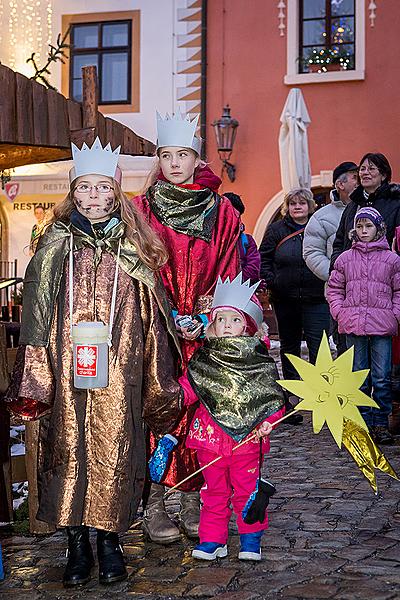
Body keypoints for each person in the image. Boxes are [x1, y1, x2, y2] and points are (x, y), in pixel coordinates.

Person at [4, 138, 182, 587]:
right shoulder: (55, 245)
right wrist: (36, 372)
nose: (94, 197)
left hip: (120, 366)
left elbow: (153, 314)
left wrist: (156, 373)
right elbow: (37, 314)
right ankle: (76, 544)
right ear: (73, 191)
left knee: (115, 448)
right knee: (68, 446)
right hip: (67, 366)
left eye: (104, 188)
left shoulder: (133, 247)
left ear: (116, 192)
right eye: (85, 188)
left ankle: (109, 541)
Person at [133, 113, 241, 543]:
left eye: (182, 154)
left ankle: (193, 499)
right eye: (166, 155)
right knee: (158, 409)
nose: (174, 162)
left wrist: (210, 316)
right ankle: (155, 502)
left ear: (196, 159)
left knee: (200, 413)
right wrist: (157, 313)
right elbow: (134, 268)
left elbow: (231, 270)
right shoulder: (141, 209)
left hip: (204, 330)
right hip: (156, 328)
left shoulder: (223, 212)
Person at [180, 274, 285, 561]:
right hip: (210, 440)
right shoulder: (205, 357)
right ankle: (213, 539)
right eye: (221, 320)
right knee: (213, 491)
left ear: (248, 325)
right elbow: (190, 387)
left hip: (246, 441)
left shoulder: (257, 359)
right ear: (212, 325)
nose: (227, 326)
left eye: (235, 320)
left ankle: (251, 538)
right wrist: (172, 394)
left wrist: (269, 421)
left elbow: (272, 397)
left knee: (247, 491)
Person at [327, 207, 400, 445]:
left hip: (382, 326)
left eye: (368, 226)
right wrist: (340, 312)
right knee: (358, 377)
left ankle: (380, 423)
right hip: (353, 325)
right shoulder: (345, 259)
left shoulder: (392, 260)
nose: (363, 230)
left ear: (379, 229)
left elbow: (398, 291)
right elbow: (334, 289)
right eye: (359, 226)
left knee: (381, 377)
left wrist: (395, 316)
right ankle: (363, 422)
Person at [259, 188, 330, 421]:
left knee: (319, 349)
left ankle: (323, 398)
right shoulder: (276, 230)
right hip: (286, 298)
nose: (297, 207)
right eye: (292, 204)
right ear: (287, 208)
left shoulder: (319, 227)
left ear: (310, 206)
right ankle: (291, 400)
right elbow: (264, 258)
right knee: (289, 348)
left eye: (301, 203)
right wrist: (273, 280)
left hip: (316, 298)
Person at [303, 161, 358, 355]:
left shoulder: (371, 209)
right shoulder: (321, 217)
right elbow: (311, 252)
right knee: (344, 344)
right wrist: (334, 273)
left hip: (373, 292)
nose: (361, 179)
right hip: (340, 293)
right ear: (340, 184)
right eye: (355, 176)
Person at [331, 153, 400, 267]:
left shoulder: (396, 203)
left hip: (384, 277)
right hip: (352, 277)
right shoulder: (352, 206)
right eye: (362, 169)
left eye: (371, 169)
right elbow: (339, 242)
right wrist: (337, 266)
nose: (365, 172)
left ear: (383, 175)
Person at [224, 192, 261, 283]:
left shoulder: (247, 240)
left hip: (240, 290)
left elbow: (253, 269)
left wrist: (234, 281)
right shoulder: (211, 239)